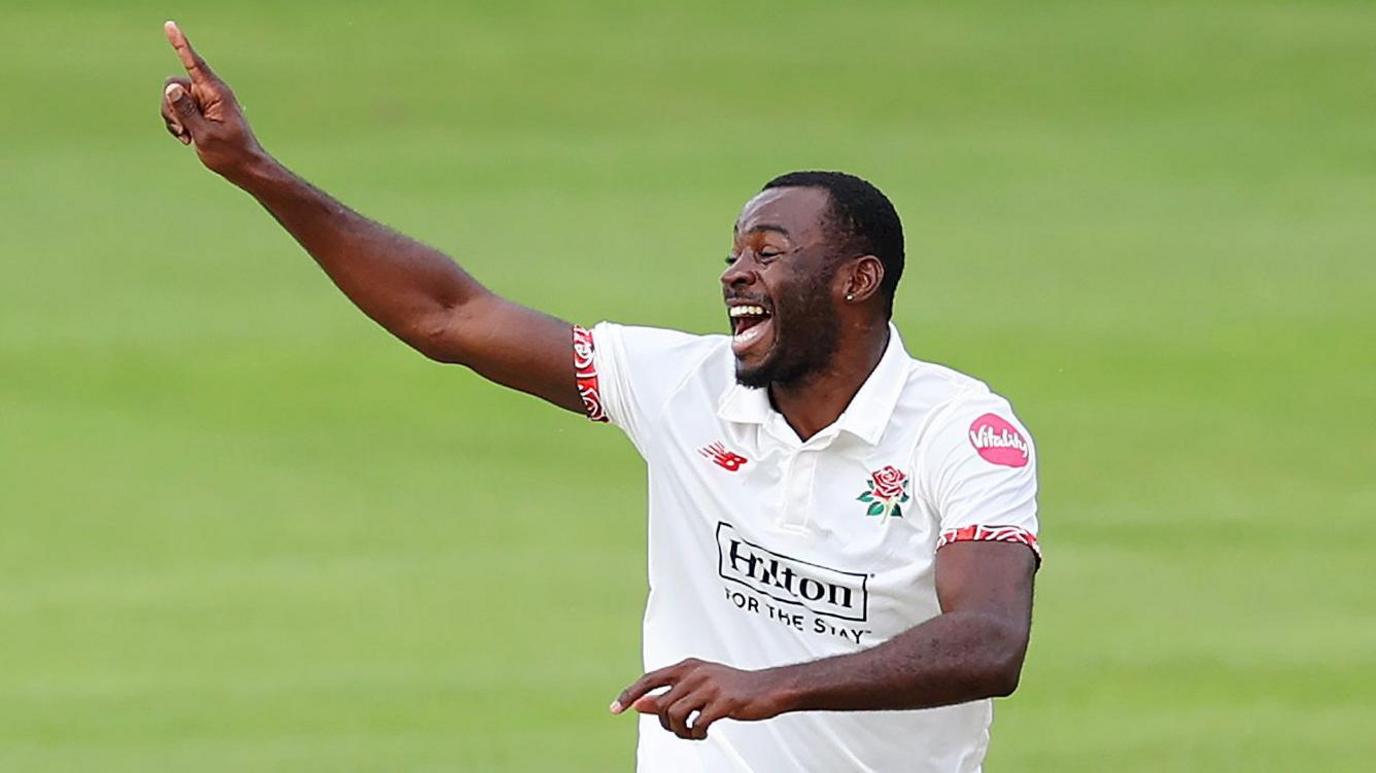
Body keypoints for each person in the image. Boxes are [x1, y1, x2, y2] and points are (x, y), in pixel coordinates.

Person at [158, 20, 1042, 772]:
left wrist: (768, 686)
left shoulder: (961, 432)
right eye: (733, 252)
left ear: (857, 279)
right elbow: (449, 315)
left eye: (768, 252)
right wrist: (254, 169)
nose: (735, 271)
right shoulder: (684, 385)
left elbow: (991, 639)